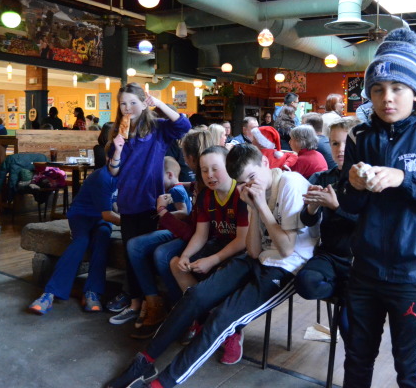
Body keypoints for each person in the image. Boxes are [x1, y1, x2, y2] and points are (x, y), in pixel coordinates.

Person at [105, 144, 318, 388]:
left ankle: (162, 384)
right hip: (258, 257)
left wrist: (259, 206)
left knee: (221, 318)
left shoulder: (289, 184)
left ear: (265, 164)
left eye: (252, 176)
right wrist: (254, 207)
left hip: (287, 267)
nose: (250, 185)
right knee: (195, 296)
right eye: (243, 181)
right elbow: (253, 251)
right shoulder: (243, 192)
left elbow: (287, 249)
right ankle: (145, 360)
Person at [337, 27, 416, 388]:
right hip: (365, 268)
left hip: (414, 272)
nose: (387, 98)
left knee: (410, 367)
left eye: (397, 88)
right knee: (356, 359)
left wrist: (404, 179)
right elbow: (348, 204)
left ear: (415, 92)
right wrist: (353, 184)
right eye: (377, 89)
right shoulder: (359, 135)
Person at [105, 83, 191, 326]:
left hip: (151, 203)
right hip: (127, 203)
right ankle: (135, 303)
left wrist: (159, 103)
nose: (128, 108)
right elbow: (113, 171)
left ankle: (149, 303)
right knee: (131, 255)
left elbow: (184, 125)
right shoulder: (118, 133)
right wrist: (117, 151)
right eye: (123, 104)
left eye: (133, 102)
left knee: (144, 254)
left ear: (144, 104)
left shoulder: (157, 129)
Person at [168, 145, 249, 352]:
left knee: (221, 273)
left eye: (215, 168)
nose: (209, 175)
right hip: (218, 244)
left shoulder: (241, 193)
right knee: (176, 264)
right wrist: (186, 256)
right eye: (204, 170)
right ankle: (203, 318)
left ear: (229, 167)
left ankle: (233, 331)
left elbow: (243, 240)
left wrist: (212, 260)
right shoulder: (206, 196)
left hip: (243, 251)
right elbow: (201, 234)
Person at [295, 117, 359, 338]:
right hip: (330, 255)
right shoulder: (322, 178)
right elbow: (306, 221)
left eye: (345, 143)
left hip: (359, 260)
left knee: (348, 326)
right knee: (305, 284)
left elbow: (369, 225)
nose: (340, 149)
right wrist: (312, 207)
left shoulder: (367, 180)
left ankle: (349, 295)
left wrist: (336, 206)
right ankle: (345, 291)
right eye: (334, 143)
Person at [28, 166, 120, 315]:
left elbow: (114, 202)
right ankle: (49, 294)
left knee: (103, 237)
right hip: (81, 215)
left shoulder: (129, 176)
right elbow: (108, 214)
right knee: (81, 241)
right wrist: (127, 222)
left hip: (102, 219)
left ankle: (92, 292)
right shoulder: (102, 177)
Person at [127, 156, 192, 339]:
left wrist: (162, 211)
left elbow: (184, 212)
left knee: (141, 247)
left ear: (170, 175)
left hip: (175, 231)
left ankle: (167, 306)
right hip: (171, 229)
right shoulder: (174, 189)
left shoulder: (176, 190)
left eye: (158, 177)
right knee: (137, 246)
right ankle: (153, 302)